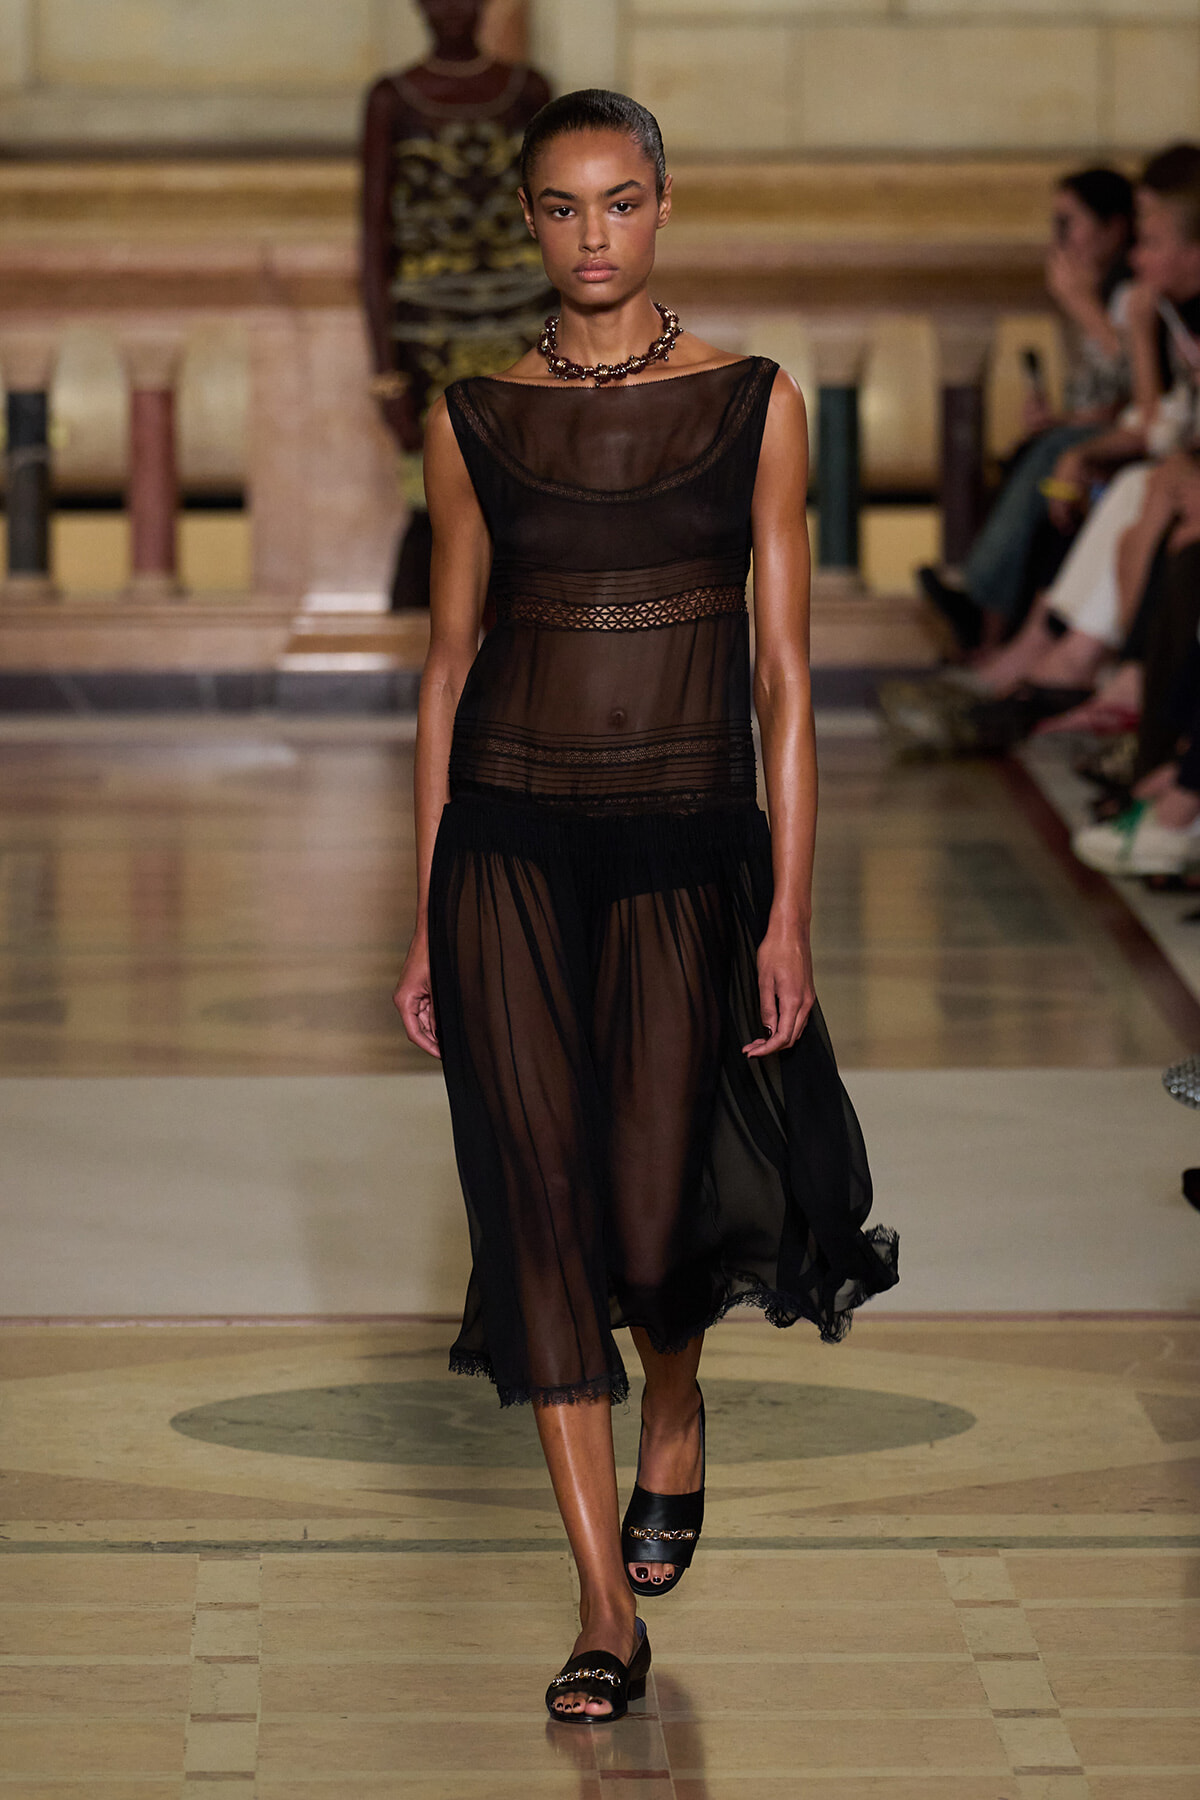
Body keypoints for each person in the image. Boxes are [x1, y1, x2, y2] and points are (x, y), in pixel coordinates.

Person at [392, 89, 898, 1722]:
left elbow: (788, 673)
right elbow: (446, 671)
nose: (592, 233)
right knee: (540, 1218)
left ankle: (673, 1402)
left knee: (652, 1219)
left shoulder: (757, 402)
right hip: (511, 853)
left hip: (689, 844)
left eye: (619, 202)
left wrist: (791, 908)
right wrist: (420, 919)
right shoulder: (471, 414)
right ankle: (604, 1607)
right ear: (529, 223)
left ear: (662, 208)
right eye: (561, 207)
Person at [360, 0, 553, 608]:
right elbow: (372, 244)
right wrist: (388, 379)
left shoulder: (529, 91)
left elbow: (562, 221)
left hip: (525, 327)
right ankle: (427, 674)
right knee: (433, 513)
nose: (451, 9)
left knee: (525, 516)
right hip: (428, 340)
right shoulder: (392, 99)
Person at [918, 166, 1135, 651]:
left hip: (1132, 442)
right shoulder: (1097, 291)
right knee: (1026, 453)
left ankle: (981, 605)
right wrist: (1060, 417)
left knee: (1047, 457)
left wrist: (1082, 306)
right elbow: (1103, 400)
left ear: (1113, 228)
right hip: (1101, 432)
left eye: (1069, 223)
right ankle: (989, 634)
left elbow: (1141, 391)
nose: (1060, 240)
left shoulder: (1128, 292)